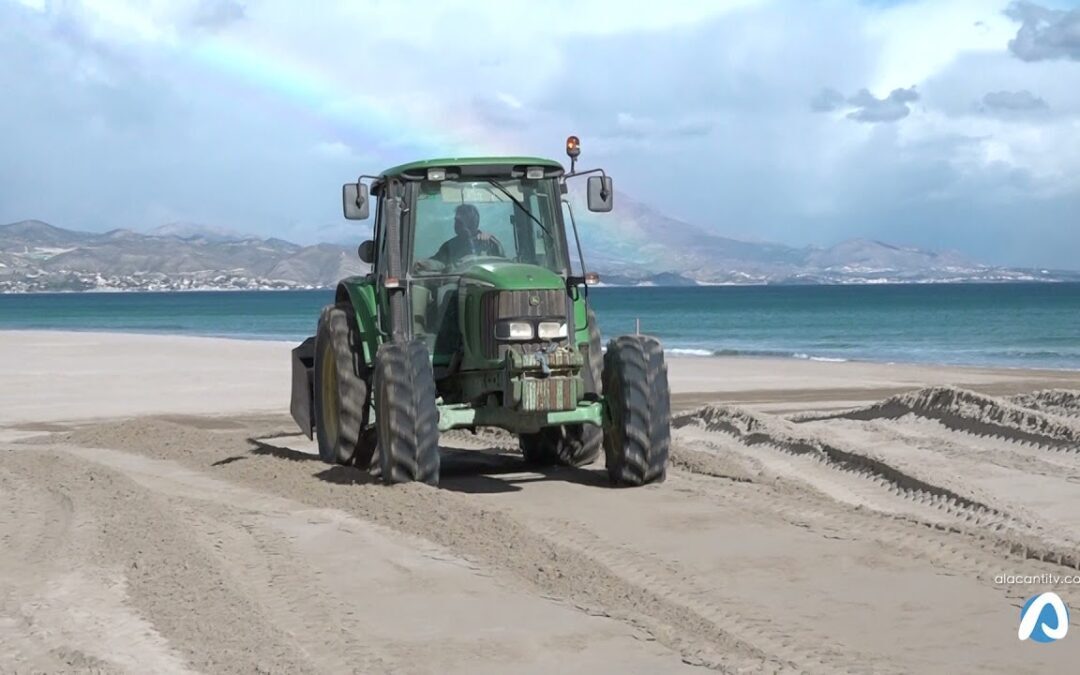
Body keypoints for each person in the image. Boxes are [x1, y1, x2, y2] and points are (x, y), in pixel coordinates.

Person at [428, 204, 504, 267]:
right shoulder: (449, 246)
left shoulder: (490, 244)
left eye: (460, 222)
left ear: (473, 223)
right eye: (456, 221)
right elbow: (437, 263)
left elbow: (503, 267)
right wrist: (426, 264)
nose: (456, 225)